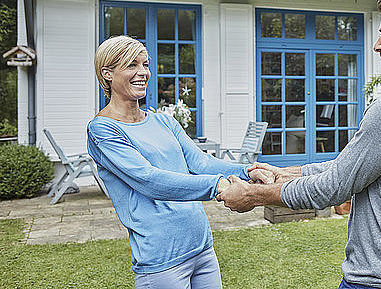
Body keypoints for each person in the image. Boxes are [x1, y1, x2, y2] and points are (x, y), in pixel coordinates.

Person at [217, 0, 381, 289]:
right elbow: (351, 168)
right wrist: (284, 173)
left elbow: (332, 188)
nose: (376, 45)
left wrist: (251, 196)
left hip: (375, 283)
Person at [86, 35, 273, 289]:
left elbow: (202, 164)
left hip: (202, 248)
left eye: (145, 64)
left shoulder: (163, 121)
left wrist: (248, 171)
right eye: (131, 65)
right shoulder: (103, 130)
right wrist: (219, 186)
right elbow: (149, 180)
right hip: (162, 260)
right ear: (107, 73)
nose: (142, 72)